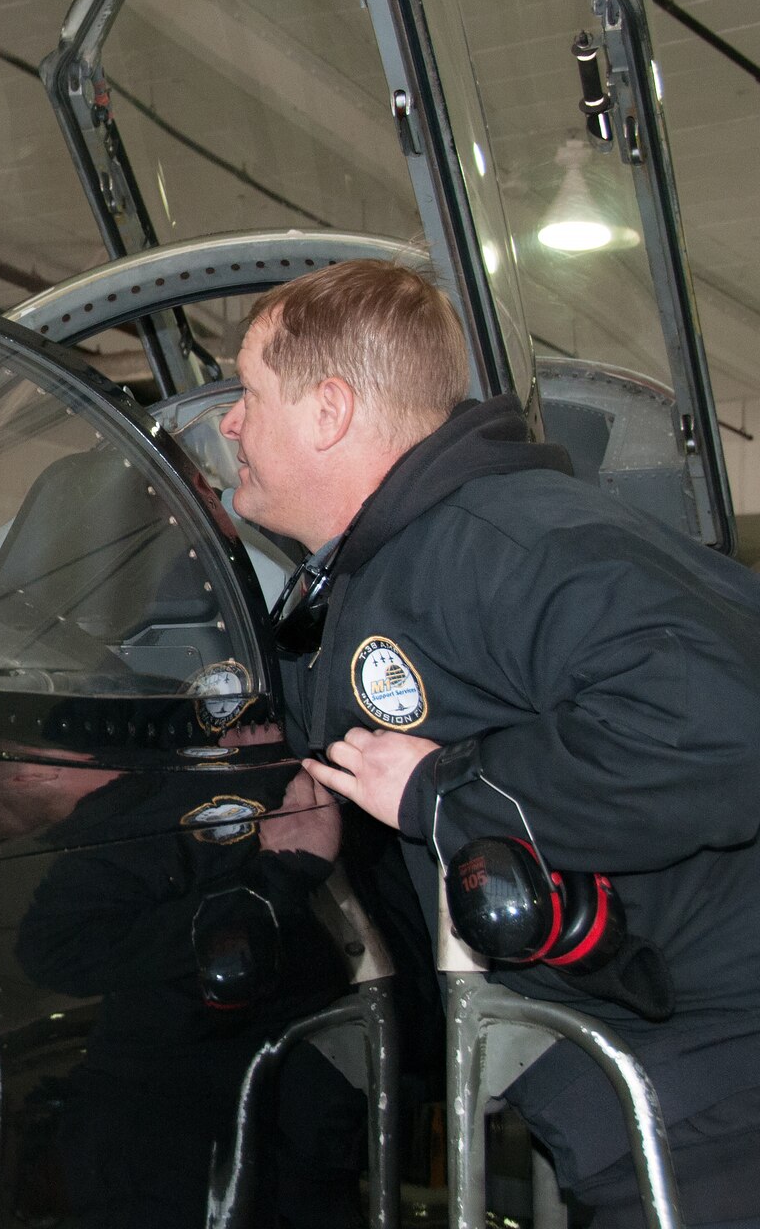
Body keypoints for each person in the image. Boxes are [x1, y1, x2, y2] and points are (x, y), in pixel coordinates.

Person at [219, 258, 760, 1225]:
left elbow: (717, 728)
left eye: (248, 393)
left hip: (717, 1072)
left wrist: (442, 792)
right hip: (660, 1067)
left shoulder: (505, 542)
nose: (228, 424)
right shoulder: (408, 565)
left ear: (328, 411)